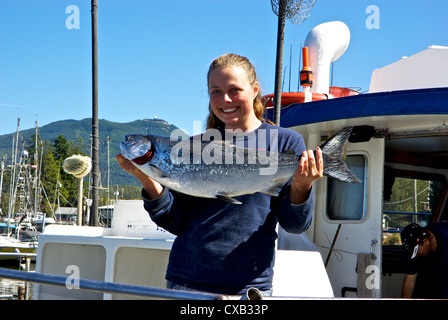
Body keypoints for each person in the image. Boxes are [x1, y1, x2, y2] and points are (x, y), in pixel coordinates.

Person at [116, 53, 323, 296]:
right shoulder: (192, 147)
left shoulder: (284, 142)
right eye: (215, 91)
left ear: (255, 89)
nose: (225, 99)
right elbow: (175, 221)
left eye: (234, 90)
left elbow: (295, 225)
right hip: (187, 282)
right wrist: (146, 177)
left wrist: (301, 185)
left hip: (250, 289)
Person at [400, 222, 448, 298]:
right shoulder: (413, 252)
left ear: (426, 242)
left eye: (417, 252)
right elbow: (410, 281)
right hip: (439, 280)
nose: (417, 255)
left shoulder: (444, 234)